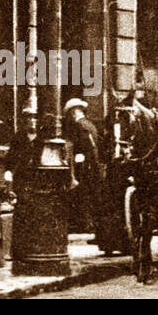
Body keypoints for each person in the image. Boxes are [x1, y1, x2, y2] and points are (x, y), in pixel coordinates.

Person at [63, 99, 102, 238]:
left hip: (84, 166)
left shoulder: (78, 126)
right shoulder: (91, 125)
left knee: (82, 194)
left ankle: (85, 224)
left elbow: (79, 147)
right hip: (93, 165)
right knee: (91, 194)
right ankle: (90, 224)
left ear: (73, 113)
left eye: (70, 114)